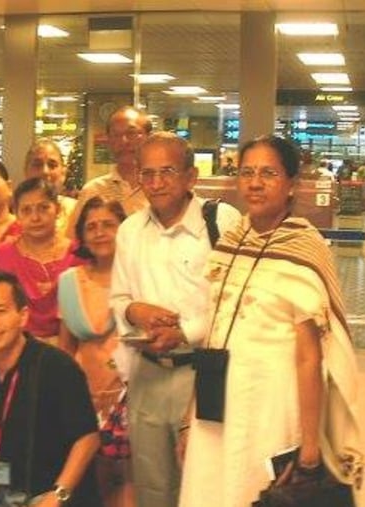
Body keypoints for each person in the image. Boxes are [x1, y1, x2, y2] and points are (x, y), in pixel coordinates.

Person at [179, 136, 363, 507]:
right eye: (247, 172)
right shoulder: (232, 240)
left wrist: (310, 445)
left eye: (269, 173)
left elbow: (310, 358)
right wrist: (191, 414)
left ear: (291, 183)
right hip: (216, 403)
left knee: (256, 491)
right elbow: (215, 332)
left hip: (271, 403)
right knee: (210, 491)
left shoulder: (305, 248)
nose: (256, 183)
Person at [109, 132, 241, 507]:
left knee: (204, 486)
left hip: (201, 374)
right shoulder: (130, 231)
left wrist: (184, 332)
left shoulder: (221, 221)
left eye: (166, 172)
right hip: (147, 375)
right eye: (146, 173)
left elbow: (234, 302)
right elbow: (118, 298)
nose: (155, 183)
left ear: (190, 176)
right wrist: (138, 311)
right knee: (153, 489)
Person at [0, 270, 102, 507]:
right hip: (0, 489)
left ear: (23, 316)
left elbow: (88, 438)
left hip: (52, 494)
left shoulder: (57, 365)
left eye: (0, 311)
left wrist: (58, 494)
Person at [57, 196, 133, 507]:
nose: (100, 232)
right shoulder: (69, 281)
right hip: (86, 399)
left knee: (129, 483)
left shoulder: (138, 278)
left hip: (130, 398)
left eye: (108, 225)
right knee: (93, 487)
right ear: (82, 236)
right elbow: (65, 347)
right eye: (91, 227)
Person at [0, 177, 83, 343]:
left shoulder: (78, 256)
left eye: (43, 208)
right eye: (26, 210)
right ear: (16, 214)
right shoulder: (2, 257)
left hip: (72, 348)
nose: (35, 218)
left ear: (58, 210)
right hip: (16, 347)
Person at [69, 106, 152, 230]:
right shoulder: (93, 191)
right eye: (116, 135)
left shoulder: (160, 188)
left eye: (131, 133)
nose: (124, 141)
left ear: (149, 137)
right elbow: (75, 242)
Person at [23, 138, 76, 236]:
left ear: (63, 173)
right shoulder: (15, 210)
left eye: (52, 165)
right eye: (37, 165)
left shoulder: (76, 211)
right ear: (26, 171)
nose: (45, 171)